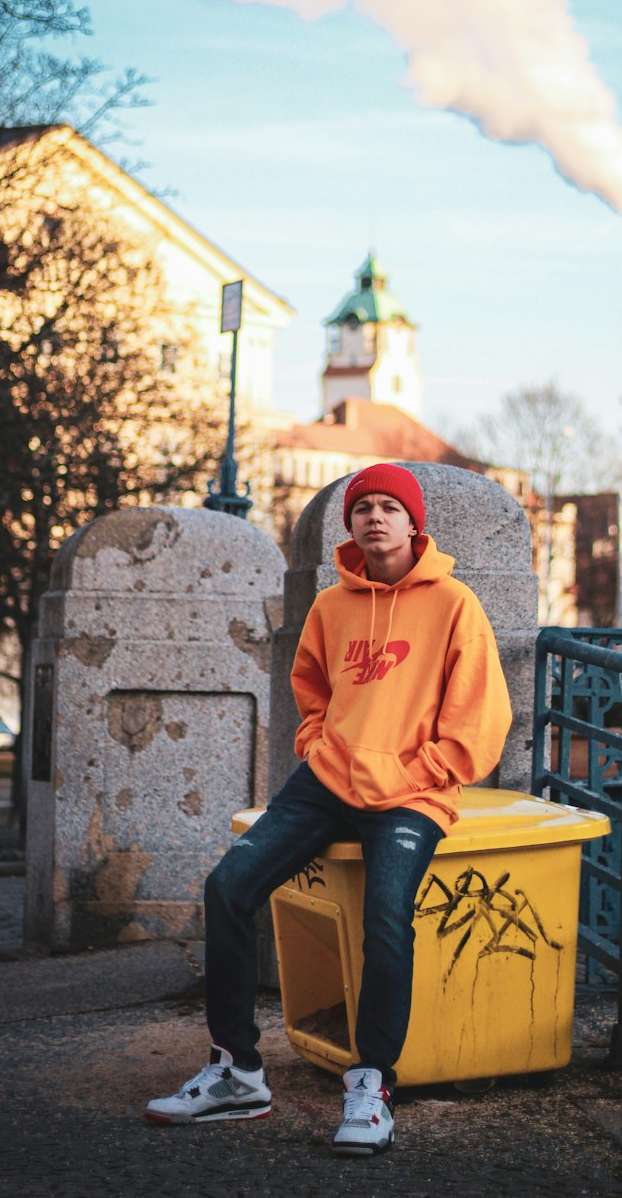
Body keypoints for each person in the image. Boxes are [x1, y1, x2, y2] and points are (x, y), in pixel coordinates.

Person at [145, 462, 512, 1156]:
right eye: (363, 507)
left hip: (412, 788)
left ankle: (371, 1085)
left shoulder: (454, 603)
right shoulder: (332, 604)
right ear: (351, 524)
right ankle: (236, 1073)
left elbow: (482, 716)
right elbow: (309, 685)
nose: (374, 517)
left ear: (413, 524)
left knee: (386, 916)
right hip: (329, 780)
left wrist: (426, 769)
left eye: (388, 508)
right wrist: (318, 743)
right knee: (228, 887)